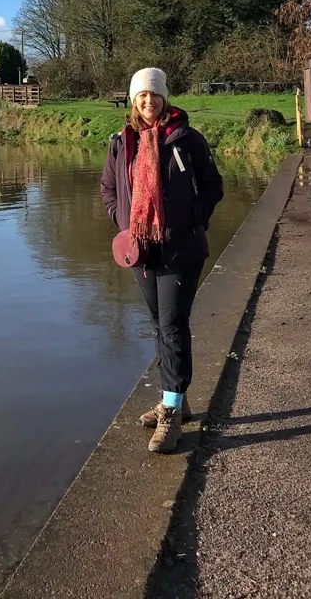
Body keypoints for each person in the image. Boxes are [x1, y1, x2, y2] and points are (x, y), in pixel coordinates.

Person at [100, 68, 223, 453]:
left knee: (171, 325)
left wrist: (193, 219)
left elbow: (213, 186)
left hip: (180, 249)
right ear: (133, 102)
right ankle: (178, 399)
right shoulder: (122, 143)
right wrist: (124, 224)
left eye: (154, 95)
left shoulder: (187, 140)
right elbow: (108, 188)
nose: (148, 102)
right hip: (140, 252)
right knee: (159, 325)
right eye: (141, 96)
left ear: (164, 99)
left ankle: (170, 413)